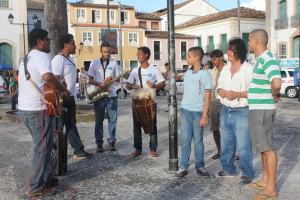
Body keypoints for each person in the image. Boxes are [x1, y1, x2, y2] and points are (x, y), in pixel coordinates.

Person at [18, 29, 70, 197]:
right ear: (40, 41)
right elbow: (48, 77)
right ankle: (35, 186)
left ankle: (46, 177)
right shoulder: (41, 56)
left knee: (44, 147)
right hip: (37, 110)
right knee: (41, 149)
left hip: (25, 109)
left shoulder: (26, 58)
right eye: (47, 40)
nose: (49, 42)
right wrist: (63, 89)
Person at [214, 38, 255, 185]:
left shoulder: (249, 69)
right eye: (228, 49)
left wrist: (236, 94)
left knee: (244, 145)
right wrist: (221, 91)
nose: (228, 53)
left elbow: (254, 92)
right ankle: (228, 169)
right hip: (226, 110)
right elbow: (217, 88)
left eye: (231, 50)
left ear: (239, 52)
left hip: (242, 111)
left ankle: (248, 172)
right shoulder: (225, 69)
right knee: (226, 143)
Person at [247, 29, 281, 199]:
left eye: (249, 40)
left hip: (262, 109)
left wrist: (275, 93)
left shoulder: (268, 58)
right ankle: (265, 180)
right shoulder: (261, 60)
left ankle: (271, 189)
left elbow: (276, 81)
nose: (247, 43)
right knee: (262, 147)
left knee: (268, 148)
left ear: (256, 41)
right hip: (257, 108)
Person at [52, 33, 94, 159]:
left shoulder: (71, 59)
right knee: (58, 128)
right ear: (65, 45)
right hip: (61, 99)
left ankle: (78, 150)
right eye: (72, 44)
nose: (75, 46)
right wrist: (62, 87)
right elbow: (55, 79)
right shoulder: (58, 60)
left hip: (70, 98)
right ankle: (56, 154)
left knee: (71, 124)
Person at [173, 47, 212, 178]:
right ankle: (183, 166)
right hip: (186, 111)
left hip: (198, 112)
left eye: (188, 56)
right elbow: (185, 92)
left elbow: (208, 96)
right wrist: (181, 111)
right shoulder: (188, 73)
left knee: (198, 141)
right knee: (185, 140)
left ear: (197, 58)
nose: (186, 58)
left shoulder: (205, 74)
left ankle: (200, 165)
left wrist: (204, 115)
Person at [126, 47, 165, 157]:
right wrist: (133, 86)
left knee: (152, 124)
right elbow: (127, 85)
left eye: (140, 54)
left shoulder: (154, 69)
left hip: (150, 101)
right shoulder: (135, 71)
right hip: (137, 102)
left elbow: (162, 83)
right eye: (137, 54)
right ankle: (138, 148)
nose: (138, 56)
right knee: (136, 126)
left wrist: (154, 86)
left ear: (146, 55)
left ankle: (153, 148)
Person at [88, 42, 121, 152]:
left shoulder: (114, 62)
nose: (107, 54)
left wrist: (111, 77)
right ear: (100, 51)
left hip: (111, 94)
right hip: (99, 95)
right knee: (99, 120)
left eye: (108, 52)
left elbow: (118, 77)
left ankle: (112, 142)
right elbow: (90, 79)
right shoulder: (94, 63)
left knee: (113, 120)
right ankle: (99, 143)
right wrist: (100, 84)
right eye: (105, 52)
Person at [209, 50, 226, 159]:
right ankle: (219, 150)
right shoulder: (211, 72)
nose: (213, 61)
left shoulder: (228, 70)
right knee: (215, 128)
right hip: (213, 103)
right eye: (212, 60)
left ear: (221, 58)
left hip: (225, 103)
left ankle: (230, 151)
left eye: (215, 59)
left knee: (227, 129)